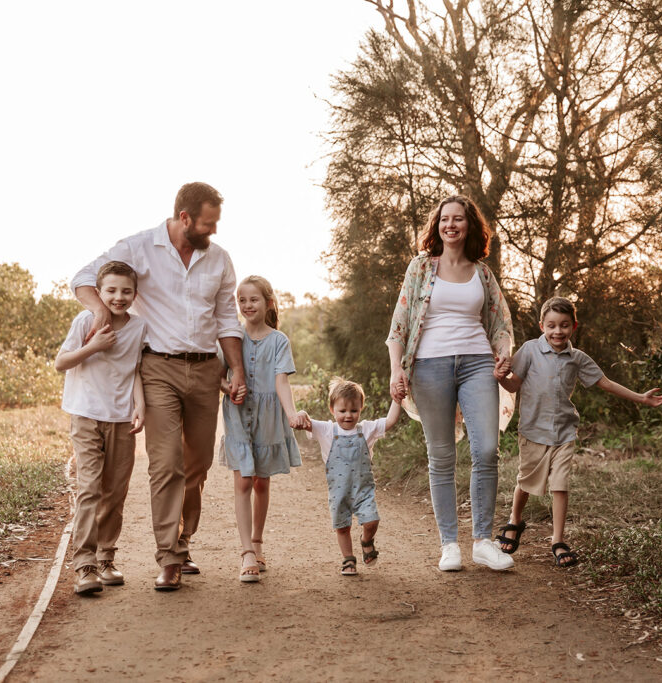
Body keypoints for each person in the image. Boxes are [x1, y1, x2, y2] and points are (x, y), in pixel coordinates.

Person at [71, 182, 245, 592]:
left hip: (205, 371)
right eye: (207, 223)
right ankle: (168, 557)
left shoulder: (219, 259)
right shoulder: (138, 248)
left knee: (198, 464)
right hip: (158, 369)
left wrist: (235, 368)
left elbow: (226, 318)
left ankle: (183, 544)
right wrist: (99, 307)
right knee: (166, 464)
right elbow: (82, 276)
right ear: (184, 218)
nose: (214, 231)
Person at [386, 195, 515, 573]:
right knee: (441, 456)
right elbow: (399, 325)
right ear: (437, 225)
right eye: (445, 219)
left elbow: (501, 324)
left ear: (469, 226)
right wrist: (397, 369)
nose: (451, 225)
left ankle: (483, 542)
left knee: (486, 450)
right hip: (429, 367)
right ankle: (449, 545)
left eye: (459, 219)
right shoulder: (421, 267)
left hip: (477, 364)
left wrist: (504, 352)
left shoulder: (483, 273)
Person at [494, 296, 662, 567]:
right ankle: (515, 520)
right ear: (542, 325)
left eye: (564, 325)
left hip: (564, 432)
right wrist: (500, 378)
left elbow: (606, 383)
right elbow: (514, 385)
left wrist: (641, 398)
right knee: (526, 482)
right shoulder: (529, 350)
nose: (557, 331)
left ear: (573, 326)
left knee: (560, 485)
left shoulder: (577, 358)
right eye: (551, 325)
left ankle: (558, 540)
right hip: (532, 431)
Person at [55, 261, 149, 594]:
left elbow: (134, 369)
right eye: (110, 290)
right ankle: (85, 566)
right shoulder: (86, 321)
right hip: (86, 414)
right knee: (90, 488)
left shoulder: (139, 328)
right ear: (99, 292)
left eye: (125, 291)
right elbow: (60, 363)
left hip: (121, 417)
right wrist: (93, 345)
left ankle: (107, 558)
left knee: (115, 492)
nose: (118, 297)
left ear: (135, 294)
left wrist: (140, 404)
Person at [219, 275, 307, 583]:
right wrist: (229, 387)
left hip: (269, 418)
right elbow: (217, 376)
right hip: (238, 415)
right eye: (241, 300)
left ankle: (257, 541)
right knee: (244, 480)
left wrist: (292, 413)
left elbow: (282, 381)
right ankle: (246, 553)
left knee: (261, 483)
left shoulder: (279, 340)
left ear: (268, 303)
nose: (246, 305)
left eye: (253, 299)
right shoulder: (231, 338)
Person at [295, 379, 402, 576]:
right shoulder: (327, 430)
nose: (348, 416)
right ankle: (348, 559)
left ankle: (366, 541)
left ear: (361, 408)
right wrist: (301, 414)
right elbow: (306, 422)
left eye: (353, 411)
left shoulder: (366, 430)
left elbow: (390, 421)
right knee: (342, 527)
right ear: (332, 409)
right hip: (339, 492)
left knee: (372, 521)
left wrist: (397, 399)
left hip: (363, 490)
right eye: (342, 411)